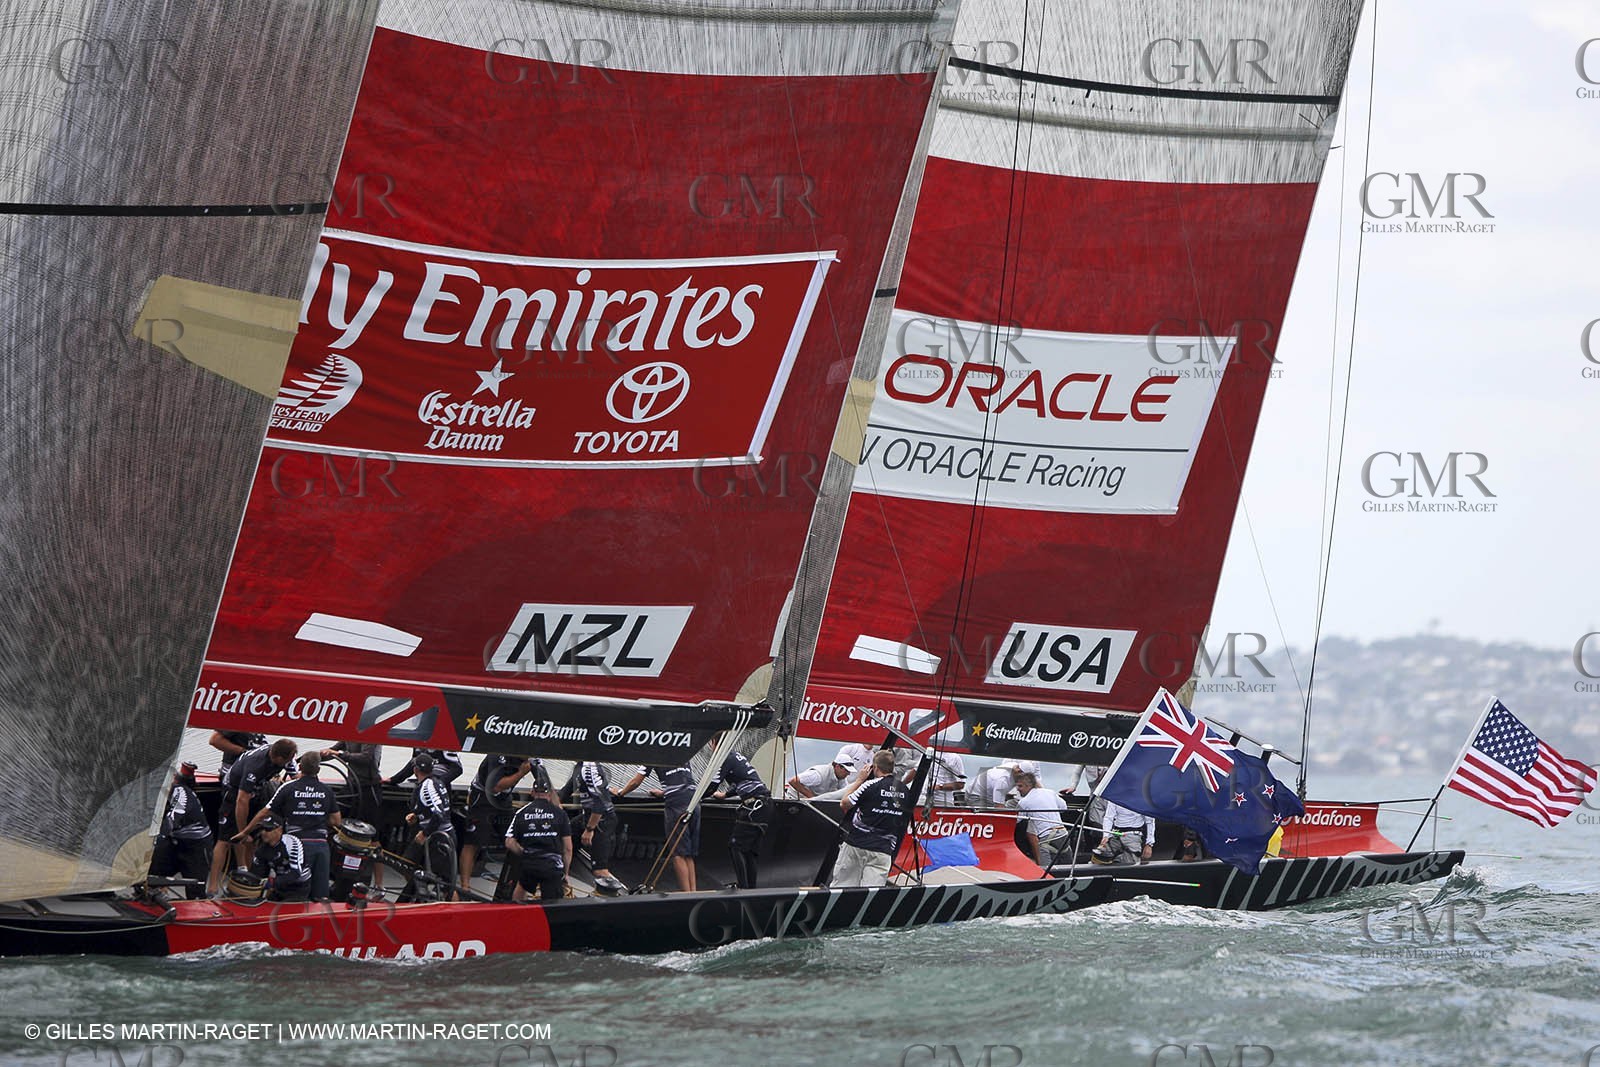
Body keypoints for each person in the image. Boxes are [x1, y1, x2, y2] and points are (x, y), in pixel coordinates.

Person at [238, 752, 342, 900]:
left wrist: (245, 831)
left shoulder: (288, 787)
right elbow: (336, 821)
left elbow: (264, 813)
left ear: (300, 767)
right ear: (318, 770)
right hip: (321, 847)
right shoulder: (326, 790)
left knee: (293, 889)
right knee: (320, 897)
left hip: (295, 844)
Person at [210, 738, 296, 895]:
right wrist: (243, 831)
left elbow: (296, 777)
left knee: (253, 839)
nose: (288, 763)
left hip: (258, 790)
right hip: (234, 792)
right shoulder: (255, 765)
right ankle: (212, 886)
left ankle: (247, 878)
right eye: (286, 761)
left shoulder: (286, 754)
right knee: (225, 840)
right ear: (277, 758)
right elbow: (241, 801)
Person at [617, 763, 699, 892]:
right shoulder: (683, 753)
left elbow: (635, 782)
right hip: (694, 800)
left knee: (678, 853)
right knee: (688, 853)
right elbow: (681, 779)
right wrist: (663, 793)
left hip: (677, 805)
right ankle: (693, 893)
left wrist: (621, 792)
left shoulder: (654, 756)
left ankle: (687, 895)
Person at [461, 754, 537, 893]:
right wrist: (521, 773)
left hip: (503, 799)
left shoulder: (531, 758)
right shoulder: (497, 755)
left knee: (516, 837)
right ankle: (464, 887)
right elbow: (495, 787)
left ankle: (518, 883)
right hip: (483, 797)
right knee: (473, 842)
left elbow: (544, 782)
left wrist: (556, 806)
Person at [834, 750, 909, 888]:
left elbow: (844, 803)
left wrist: (859, 780)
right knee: (872, 891)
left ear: (875, 767)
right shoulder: (905, 790)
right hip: (883, 850)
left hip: (857, 844)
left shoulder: (870, 785)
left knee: (843, 887)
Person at [320, 741, 385, 886]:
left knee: (374, 839)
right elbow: (333, 751)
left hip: (369, 789)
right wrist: (316, 757)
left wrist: (339, 754)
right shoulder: (349, 736)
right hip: (352, 787)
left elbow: (366, 758)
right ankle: (332, 874)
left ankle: (379, 885)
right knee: (332, 822)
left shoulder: (371, 736)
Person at [504, 768, 572, 902]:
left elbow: (509, 842)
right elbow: (568, 848)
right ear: (550, 794)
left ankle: (517, 911)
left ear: (532, 792)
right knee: (552, 903)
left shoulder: (521, 813)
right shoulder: (560, 813)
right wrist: (566, 873)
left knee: (521, 888)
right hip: (552, 866)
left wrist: (524, 853)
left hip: (530, 863)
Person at [150, 762, 212, 898]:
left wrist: (154, 839)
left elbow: (172, 820)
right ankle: (156, 892)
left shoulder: (181, 792)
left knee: (196, 891)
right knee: (151, 874)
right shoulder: (160, 792)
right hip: (175, 841)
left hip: (196, 847)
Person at [399, 753, 456, 901]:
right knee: (406, 864)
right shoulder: (435, 782)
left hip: (440, 838)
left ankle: (451, 907)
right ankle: (420, 894)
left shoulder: (428, 786)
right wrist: (417, 816)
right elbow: (430, 809)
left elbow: (439, 813)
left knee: (445, 884)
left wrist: (425, 833)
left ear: (416, 770)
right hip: (432, 834)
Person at [711, 748, 771, 889]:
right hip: (765, 804)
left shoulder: (725, 757)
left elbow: (712, 786)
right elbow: (744, 779)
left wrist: (694, 797)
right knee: (750, 851)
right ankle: (750, 889)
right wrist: (725, 795)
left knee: (735, 846)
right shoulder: (735, 756)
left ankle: (743, 887)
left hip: (754, 806)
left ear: (713, 743)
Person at [568, 760, 619, 884]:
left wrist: (589, 830)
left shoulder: (589, 767)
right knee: (564, 837)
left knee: (599, 870)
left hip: (601, 821)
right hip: (586, 816)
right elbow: (566, 790)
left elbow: (600, 803)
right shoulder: (579, 766)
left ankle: (611, 890)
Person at [250, 816, 313, 902]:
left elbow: (296, 873)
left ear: (279, 830)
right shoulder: (261, 850)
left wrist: (272, 882)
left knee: (284, 906)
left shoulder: (292, 844)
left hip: (299, 886)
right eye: (262, 829)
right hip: (279, 886)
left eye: (268, 829)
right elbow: (257, 874)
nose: (263, 832)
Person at [1015, 770, 1070, 868]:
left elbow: (1016, 821)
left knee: (1045, 872)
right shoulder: (1050, 792)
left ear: (1028, 786)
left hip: (1047, 838)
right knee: (1068, 869)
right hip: (1063, 835)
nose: (1017, 789)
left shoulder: (1024, 802)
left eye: (1020, 786)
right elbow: (1064, 808)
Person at [1092, 798, 1155, 865]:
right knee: (1099, 859)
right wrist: (1106, 836)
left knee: (1130, 865)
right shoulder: (1114, 797)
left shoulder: (1142, 798)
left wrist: (1149, 844)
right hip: (1115, 835)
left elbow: (1150, 822)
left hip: (1133, 837)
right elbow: (1108, 817)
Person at [386, 748, 463, 788]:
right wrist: (393, 779)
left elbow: (458, 769)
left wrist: (438, 782)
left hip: (440, 786)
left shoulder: (446, 742)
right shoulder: (419, 739)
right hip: (422, 784)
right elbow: (414, 763)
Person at [786, 756, 854, 799]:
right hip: (794, 799)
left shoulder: (842, 779)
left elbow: (846, 793)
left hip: (809, 804)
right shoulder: (818, 774)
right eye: (846, 770)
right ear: (837, 766)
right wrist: (812, 798)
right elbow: (794, 781)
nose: (849, 773)